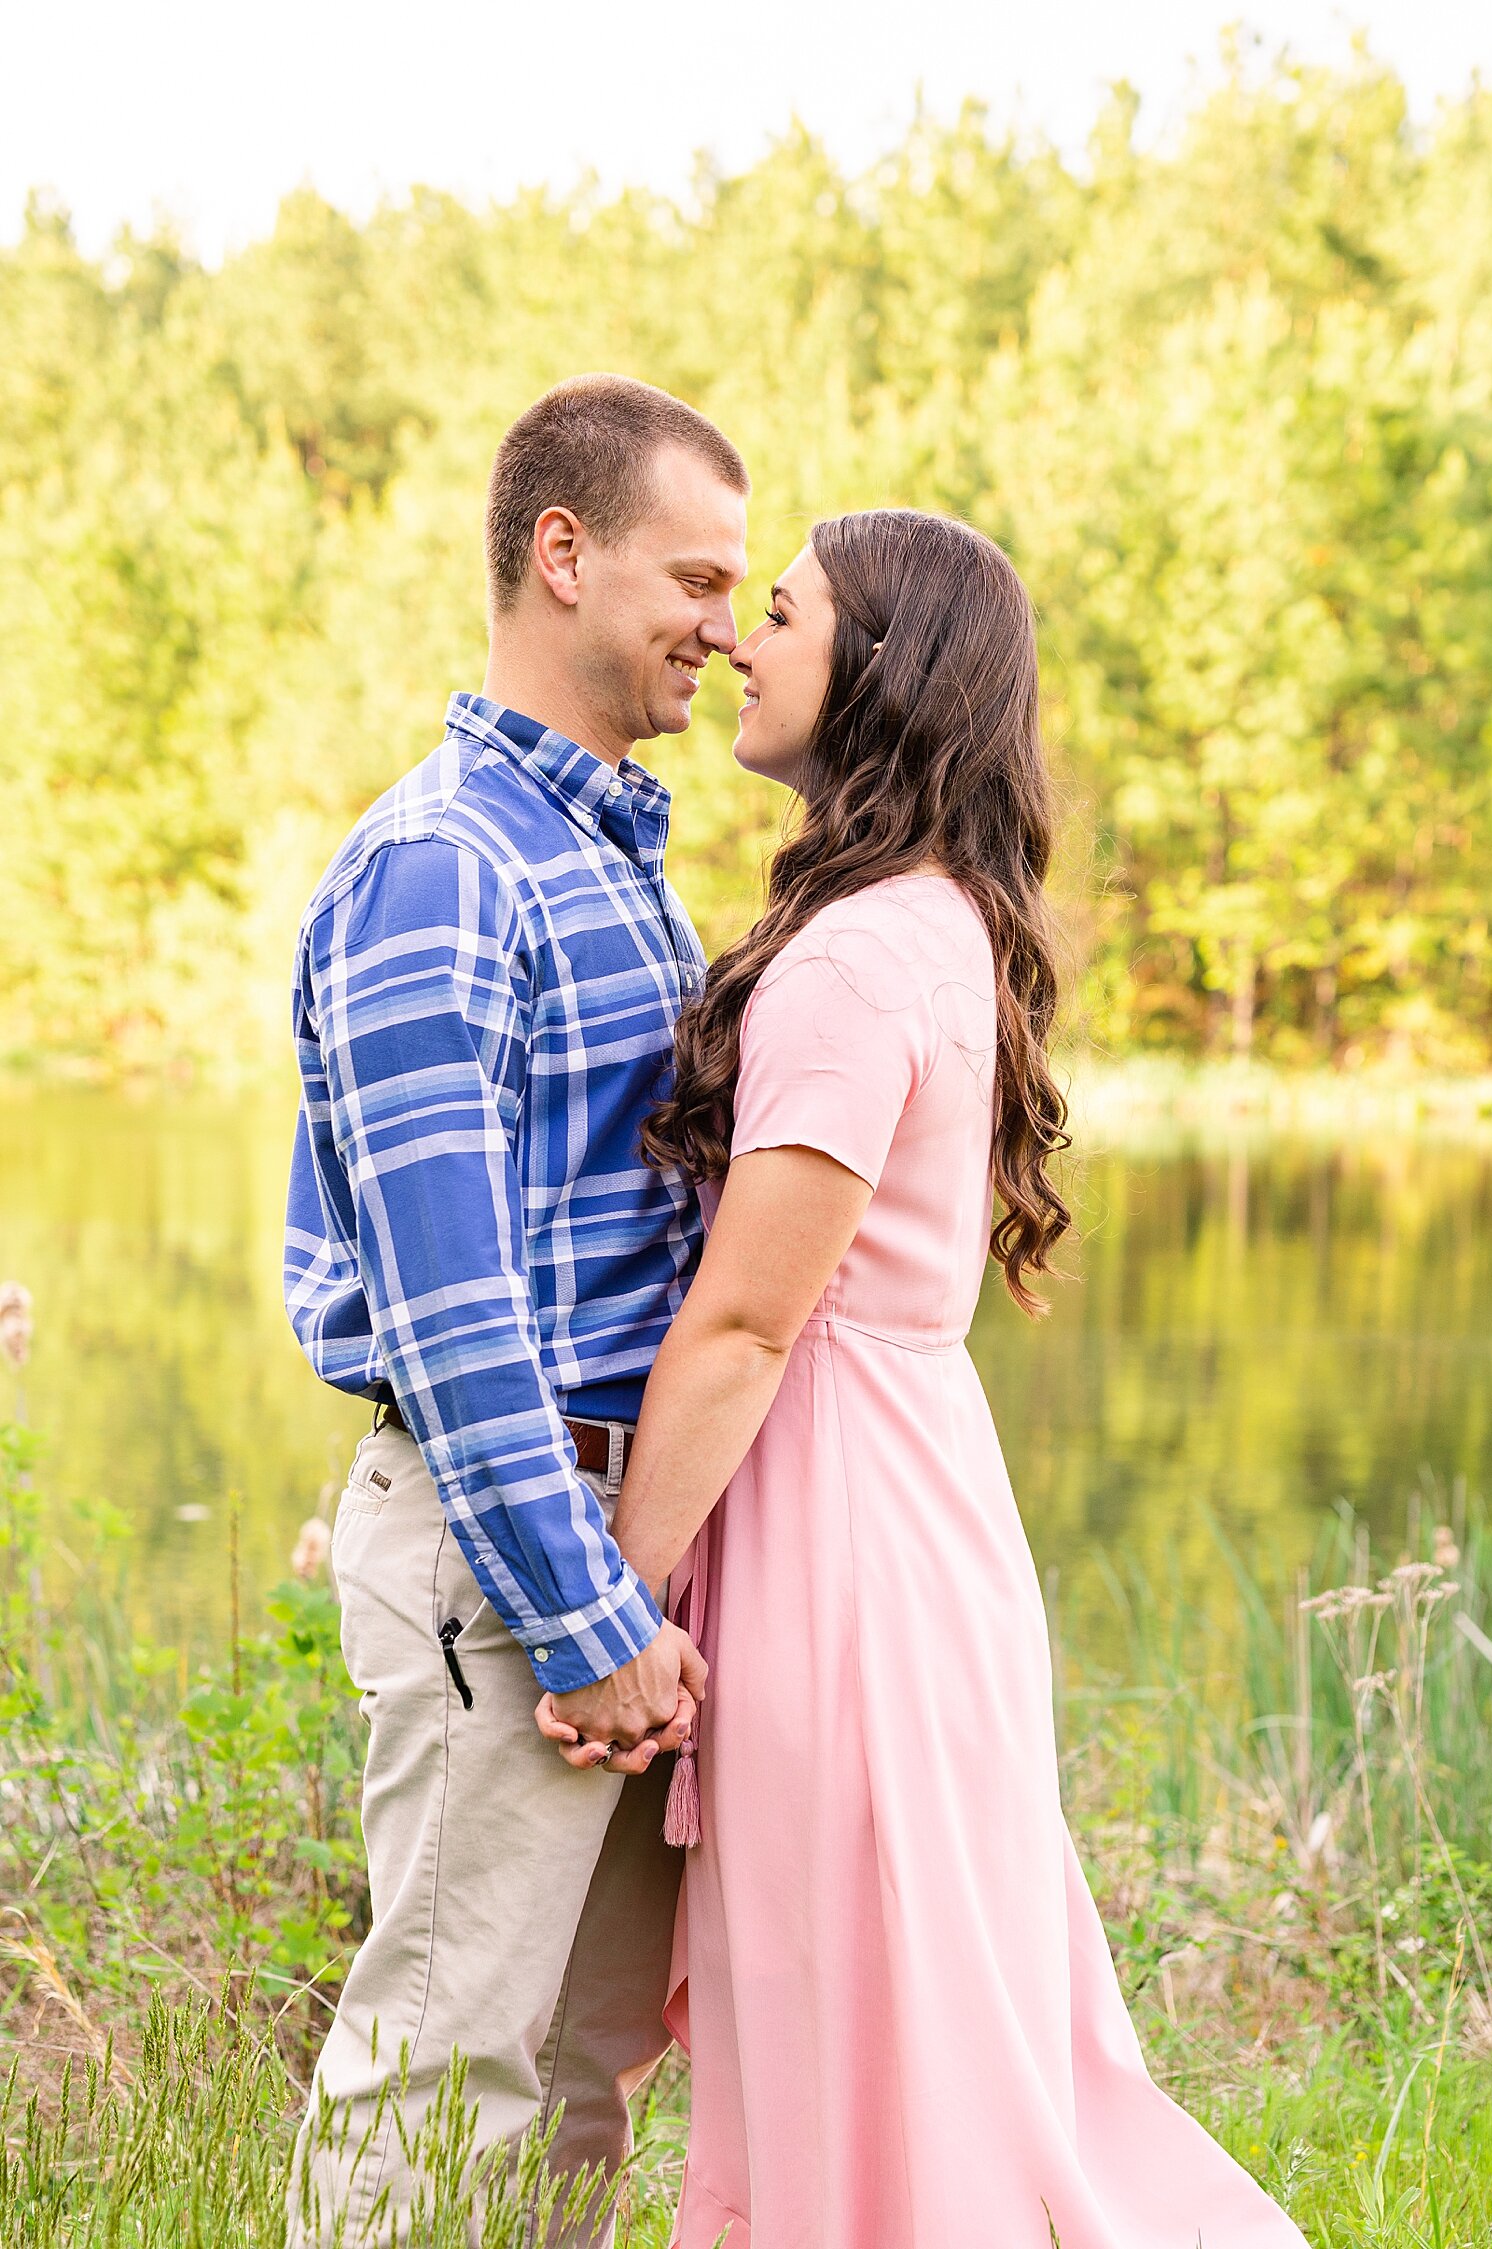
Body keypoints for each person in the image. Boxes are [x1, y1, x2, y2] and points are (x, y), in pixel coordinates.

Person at [539, 510, 1310, 2248]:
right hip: (897, 1508)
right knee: (920, 2021)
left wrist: (612, 1613)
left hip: (849, 1555)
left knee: (862, 2023)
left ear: (876, 674)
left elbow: (745, 1327)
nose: (743, 637)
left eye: (786, 611)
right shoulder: (927, 919)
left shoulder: (862, 954)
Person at [281, 374, 748, 2245]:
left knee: (571, 2090)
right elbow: (459, 1308)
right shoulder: (444, 865)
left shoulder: (612, 853)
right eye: (693, 577)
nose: (723, 623)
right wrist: (582, 1617)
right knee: (438, 2070)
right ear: (563, 554)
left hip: (604, 1542)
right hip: (513, 1554)